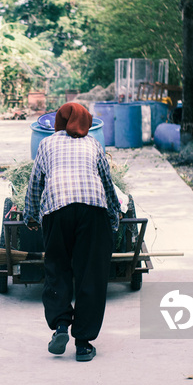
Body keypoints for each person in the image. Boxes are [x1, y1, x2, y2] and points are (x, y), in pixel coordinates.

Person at [23, 102, 120, 362]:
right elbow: (107, 183)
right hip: (93, 210)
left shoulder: (47, 144)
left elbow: (36, 183)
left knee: (57, 268)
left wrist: (30, 215)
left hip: (57, 209)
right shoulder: (94, 145)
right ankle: (84, 344)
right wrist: (114, 216)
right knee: (91, 274)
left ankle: (61, 326)